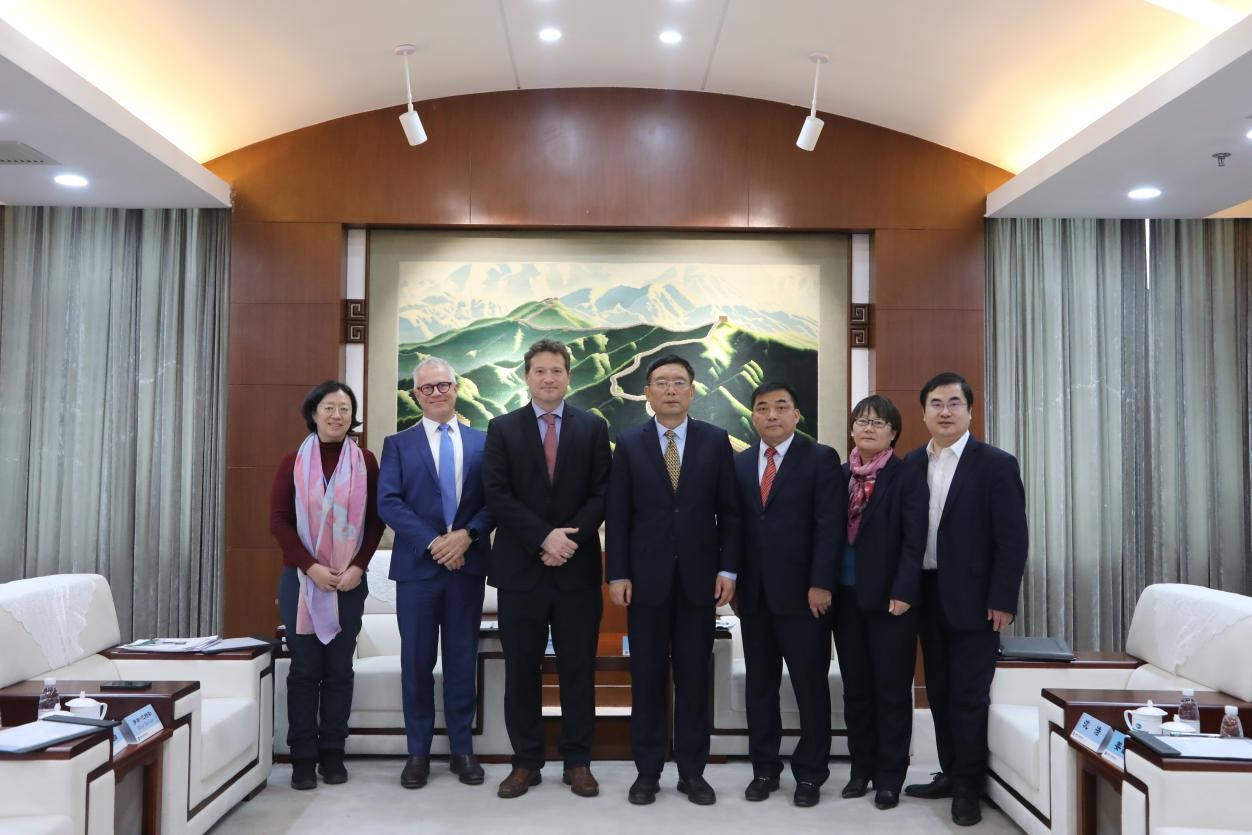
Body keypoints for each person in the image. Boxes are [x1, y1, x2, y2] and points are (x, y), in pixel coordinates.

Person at [606, 354, 741, 806]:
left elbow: (730, 513)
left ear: (692, 391)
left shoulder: (715, 441)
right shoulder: (629, 444)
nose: (670, 390)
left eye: (679, 382)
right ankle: (647, 772)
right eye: (661, 382)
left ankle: (692, 772)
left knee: (693, 679)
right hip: (645, 583)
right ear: (646, 392)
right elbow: (618, 516)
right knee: (646, 679)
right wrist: (617, 573)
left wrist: (727, 569)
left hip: (700, 582)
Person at [482, 339, 611, 799]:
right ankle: (525, 762)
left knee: (578, 669)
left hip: (576, 569)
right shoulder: (502, 428)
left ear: (569, 376)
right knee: (521, 671)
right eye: (540, 370)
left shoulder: (593, 427)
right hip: (521, 571)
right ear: (527, 376)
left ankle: (578, 761)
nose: (549, 378)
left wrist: (567, 540)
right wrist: (543, 537)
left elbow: (603, 492)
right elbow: (496, 493)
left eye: (557, 370)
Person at [901, 372, 1028, 826]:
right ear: (923, 413)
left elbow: (1012, 539)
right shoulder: (910, 463)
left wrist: (1003, 598)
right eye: (936, 403)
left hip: (977, 599)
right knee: (938, 691)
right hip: (925, 594)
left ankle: (969, 789)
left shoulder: (995, 464)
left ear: (970, 412)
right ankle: (951, 772)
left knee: (969, 696)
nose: (945, 411)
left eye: (954, 403)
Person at [378, 357, 495, 790]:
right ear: (416, 395)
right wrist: (435, 543)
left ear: (455, 387)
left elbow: (496, 500)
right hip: (418, 571)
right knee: (417, 663)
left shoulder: (484, 442)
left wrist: (467, 536)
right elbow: (389, 502)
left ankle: (463, 750)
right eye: (426, 388)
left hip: (467, 568)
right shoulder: (397, 444)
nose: (436, 393)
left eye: (443, 385)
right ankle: (418, 753)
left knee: (462, 660)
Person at [269, 380, 384, 790]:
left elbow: (376, 521)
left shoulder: (366, 462)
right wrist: (311, 567)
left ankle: (333, 753)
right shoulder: (292, 462)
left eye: (345, 409)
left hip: (349, 581)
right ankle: (302, 758)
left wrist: (358, 566)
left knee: (339, 670)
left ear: (353, 417)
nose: (337, 415)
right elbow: (279, 522)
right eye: (329, 408)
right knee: (304, 670)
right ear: (314, 413)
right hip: (301, 580)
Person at [732, 382, 843, 808]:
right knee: (759, 688)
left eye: (781, 407)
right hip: (754, 597)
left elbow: (829, 525)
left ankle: (811, 774)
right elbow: (734, 528)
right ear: (754, 416)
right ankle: (764, 769)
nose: (772, 415)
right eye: (763, 408)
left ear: (797, 415)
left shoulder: (820, 458)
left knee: (810, 687)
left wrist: (821, 583)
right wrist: (734, 582)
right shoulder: (741, 463)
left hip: (805, 597)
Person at [835, 394, 928, 811]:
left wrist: (904, 591)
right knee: (855, 690)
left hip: (892, 602)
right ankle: (861, 769)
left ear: (893, 433)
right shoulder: (840, 475)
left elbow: (914, 539)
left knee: (891, 691)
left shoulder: (906, 475)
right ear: (852, 429)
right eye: (862, 421)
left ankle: (890, 776)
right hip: (845, 598)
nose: (868, 428)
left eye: (878, 422)